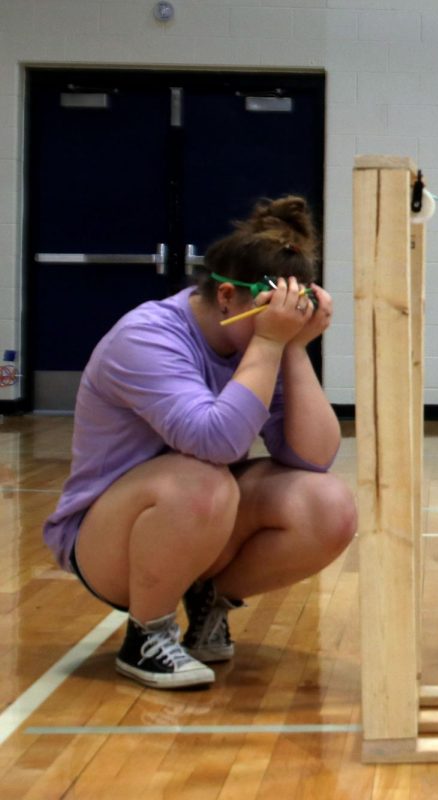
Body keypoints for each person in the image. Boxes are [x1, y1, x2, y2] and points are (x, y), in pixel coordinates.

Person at [43, 196, 357, 689]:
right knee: (204, 480)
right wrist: (271, 344)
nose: (285, 320)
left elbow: (311, 457)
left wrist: (294, 349)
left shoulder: (260, 342)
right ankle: (147, 633)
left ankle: (209, 601)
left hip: (198, 517)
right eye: (274, 310)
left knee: (329, 504)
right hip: (107, 539)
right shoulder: (147, 337)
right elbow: (216, 442)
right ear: (228, 297)